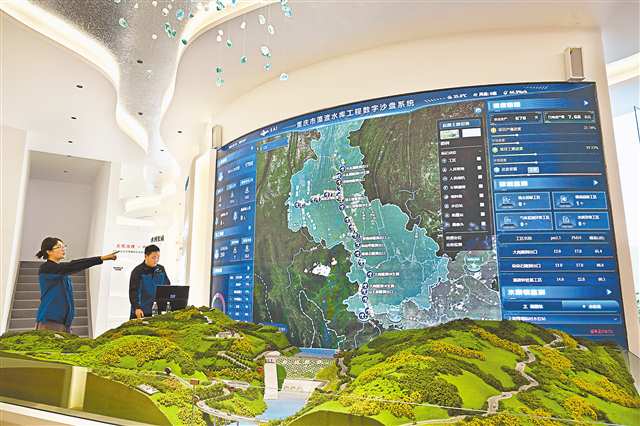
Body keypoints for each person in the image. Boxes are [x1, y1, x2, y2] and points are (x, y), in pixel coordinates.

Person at [35, 237, 117, 333]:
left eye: (64, 246)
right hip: (50, 321)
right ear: (48, 251)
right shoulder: (47, 268)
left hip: (64, 322)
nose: (63, 249)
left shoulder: (60, 271)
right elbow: (73, 265)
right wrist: (101, 258)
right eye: (59, 247)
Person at [129, 244, 171, 319]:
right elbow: (134, 292)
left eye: (158, 257)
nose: (156, 260)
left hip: (157, 311)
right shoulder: (137, 271)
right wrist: (137, 308)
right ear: (146, 256)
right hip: (141, 311)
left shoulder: (161, 269)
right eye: (153, 257)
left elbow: (167, 287)